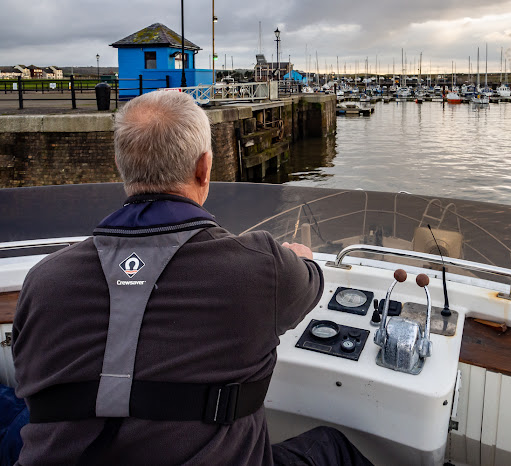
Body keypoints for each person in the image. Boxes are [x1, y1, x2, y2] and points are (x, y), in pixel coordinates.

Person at [12, 91, 372, 465]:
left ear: (123, 168)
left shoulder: (44, 281)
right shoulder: (261, 267)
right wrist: (300, 257)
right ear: (204, 167)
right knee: (331, 448)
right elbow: (312, 281)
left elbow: (27, 377)